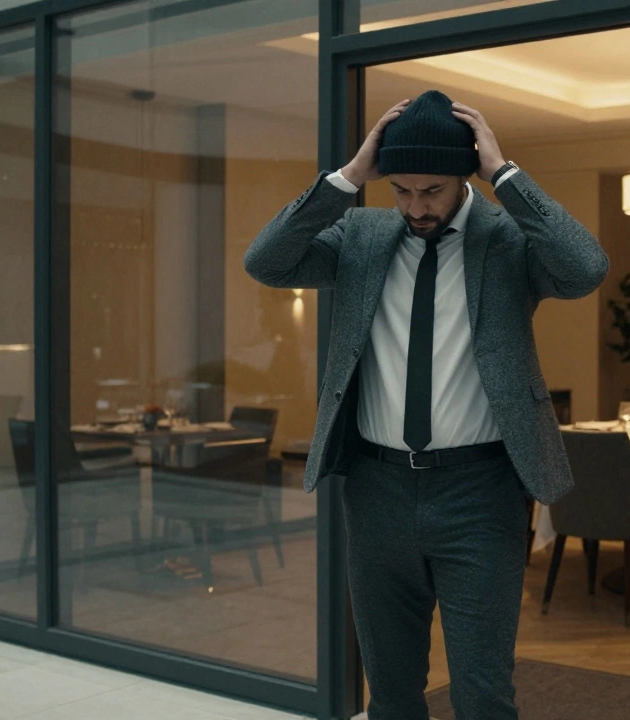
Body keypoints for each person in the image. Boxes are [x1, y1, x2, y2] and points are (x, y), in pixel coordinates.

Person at [244, 90, 608, 719]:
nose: (416, 207)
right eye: (401, 190)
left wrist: (505, 174)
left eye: (432, 191)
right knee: (390, 689)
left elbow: (585, 268)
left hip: (480, 494)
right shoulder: (360, 236)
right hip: (376, 490)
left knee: (482, 691)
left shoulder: (508, 240)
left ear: (464, 177)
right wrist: (349, 176)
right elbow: (267, 262)